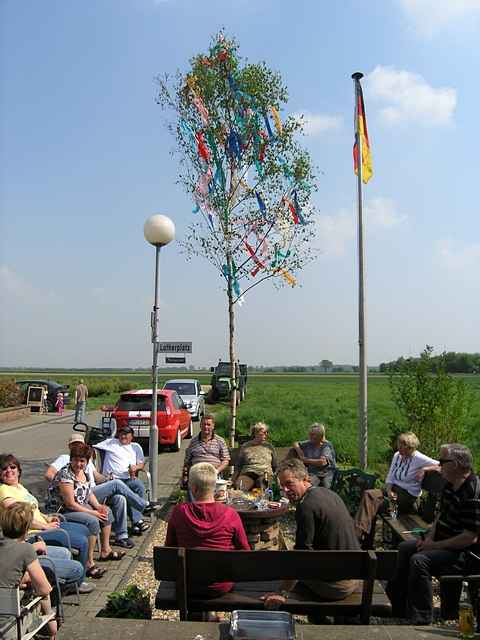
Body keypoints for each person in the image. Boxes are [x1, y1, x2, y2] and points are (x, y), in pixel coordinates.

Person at [386, 443, 480, 626]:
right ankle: (398, 607)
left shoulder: (473, 492)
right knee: (405, 548)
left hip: (465, 553)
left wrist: (433, 546)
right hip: (443, 543)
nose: (438, 464)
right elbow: (440, 516)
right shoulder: (450, 485)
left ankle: (422, 617)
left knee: (419, 560)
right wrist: (429, 539)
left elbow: (470, 537)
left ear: (456, 464)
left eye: (442, 461)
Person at [261, 459, 361, 610]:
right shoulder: (328, 493)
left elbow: (302, 556)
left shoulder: (306, 506)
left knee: (286, 565)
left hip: (337, 586)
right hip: (355, 573)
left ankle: (317, 615)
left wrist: (282, 592)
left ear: (305, 479)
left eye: (289, 483)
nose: (285, 490)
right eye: (282, 486)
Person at [0, 453, 94, 583]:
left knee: (84, 529)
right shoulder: (4, 490)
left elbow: (33, 509)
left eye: (12, 467)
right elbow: (20, 517)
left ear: (18, 470)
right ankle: (77, 581)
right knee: (82, 541)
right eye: (4, 469)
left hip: (45, 526)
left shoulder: (20, 487)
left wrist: (47, 517)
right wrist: (45, 526)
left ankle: (84, 566)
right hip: (33, 533)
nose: (9, 471)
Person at [46, 433, 149, 548]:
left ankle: (119, 538)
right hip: (68, 505)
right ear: (69, 447)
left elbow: (93, 481)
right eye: (74, 444)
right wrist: (61, 485)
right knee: (116, 485)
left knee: (118, 499)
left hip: (87, 496)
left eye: (79, 443)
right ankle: (143, 505)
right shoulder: (65, 464)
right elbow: (51, 477)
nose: (79, 463)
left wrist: (107, 479)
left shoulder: (85, 467)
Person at [166, 462, 249, 596]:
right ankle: (209, 616)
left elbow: (169, 548)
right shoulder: (230, 514)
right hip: (222, 584)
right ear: (214, 486)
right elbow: (245, 551)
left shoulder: (178, 512)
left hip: (188, 584)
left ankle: (198, 615)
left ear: (193, 488)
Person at [50, 441, 125, 575]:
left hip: (81, 505)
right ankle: (88, 562)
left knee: (106, 512)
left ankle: (105, 550)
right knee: (93, 521)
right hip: (63, 511)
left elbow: (88, 492)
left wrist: (98, 506)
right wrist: (93, 512)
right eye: (75, 460)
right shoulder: (65, 475)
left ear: (87, 461)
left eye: (82, 461)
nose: (78, 464)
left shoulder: (85, 472)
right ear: (71, 459)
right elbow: (70, 504)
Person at [353, 432, 439, 544]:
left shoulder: (419, 458)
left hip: (407, 497)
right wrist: (388, 490)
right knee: (369, 495)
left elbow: (440, 465)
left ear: (411, 448)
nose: (399, 449)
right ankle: (359, 535)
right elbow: (390, 477)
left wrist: (425, 469)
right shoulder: (397, 456)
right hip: (393, 491)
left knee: (373, 505)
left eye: (403, 446)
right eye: (399, 445)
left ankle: (360, 540)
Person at [0, 503, 58, 638]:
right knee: (42, 589)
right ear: (27, 528)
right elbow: (44, 589)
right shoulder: (26, 549)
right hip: (9, 626)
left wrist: (21, 579)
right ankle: (52, 628)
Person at [94, 426, 150, 535]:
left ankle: (135, 522)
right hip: (112, 480)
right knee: (124, 491)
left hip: (128, 478)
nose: (123, 436)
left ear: (132, 436)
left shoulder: (136, 447)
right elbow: (91, 445)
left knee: (138, 485)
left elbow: (141, 463)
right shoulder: (111, 442)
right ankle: (139, 520)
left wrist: (136, 467)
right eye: (121, 433)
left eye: (126, 434)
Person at [182, 414, 230, 489]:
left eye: (208, 425)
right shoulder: (193, 442)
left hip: (213, 473)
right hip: (197, 473)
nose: (206, 427)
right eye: (204, 424)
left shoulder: (220, 441)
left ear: (213, 426)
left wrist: (217, 471)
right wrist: (185, 476)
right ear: (200, 426)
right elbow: (187, 462)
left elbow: (226, 460)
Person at [232, 422, 278, 491]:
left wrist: (277, 479)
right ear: (256, 433)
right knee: (241, 486)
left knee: (263, 485)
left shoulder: (269, 447)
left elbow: (275, 465)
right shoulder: (246, 446)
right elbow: (239, 465)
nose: (266, 434)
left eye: (267, 432)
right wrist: (233, 479)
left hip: (265, 473)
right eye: (264, 432)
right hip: (249, 472)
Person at [292, 423, 336, 489]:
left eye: (313, 435)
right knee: (308, 485)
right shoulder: (309, 442)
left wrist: (306, 460)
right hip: (313, 473)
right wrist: (300, 453)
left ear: (320, 436)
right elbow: (295, 444)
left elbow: (322, 462)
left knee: (326, 489)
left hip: (327, 473)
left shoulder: (326, 445)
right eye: (310, 434)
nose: (310, 436)